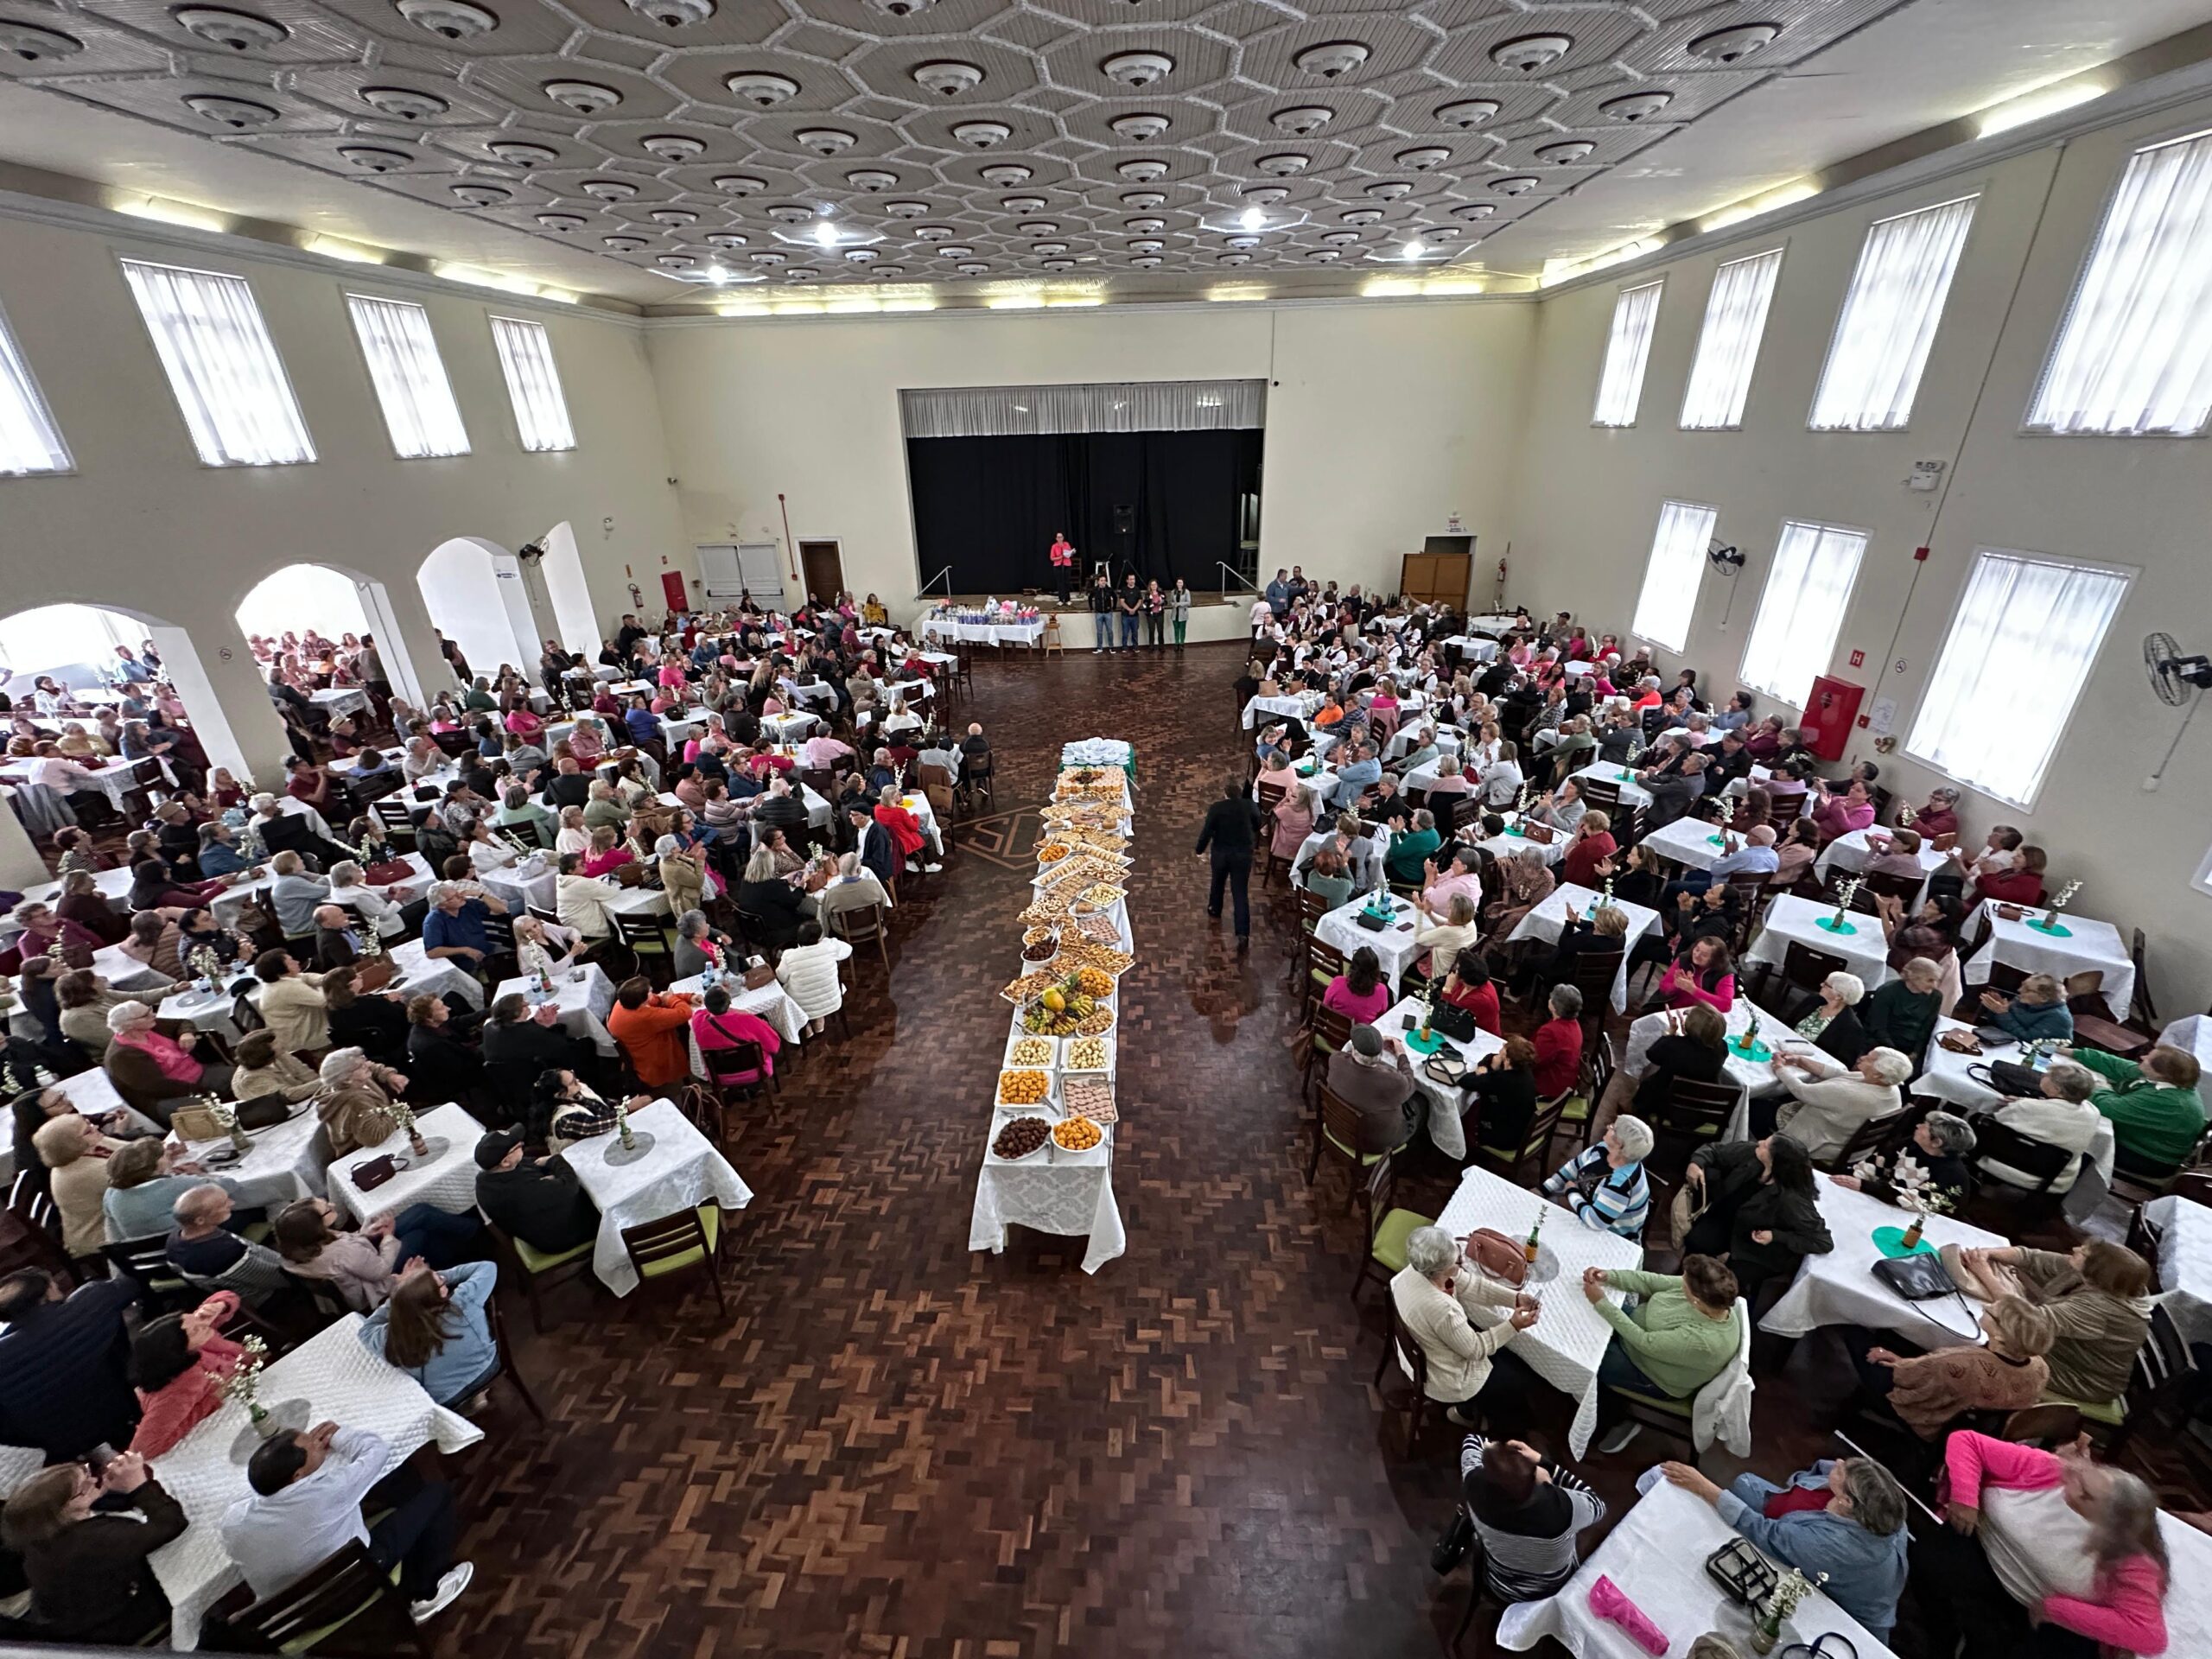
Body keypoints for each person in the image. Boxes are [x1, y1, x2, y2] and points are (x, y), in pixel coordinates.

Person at [1912, 1431, 2170, 1659]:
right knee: (1927, 1559)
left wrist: (2055, 1609)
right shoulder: (2051, 1470)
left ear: (2109, 1523)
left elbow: (2149, 1634)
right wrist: (1965, 1496)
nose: (2073, 1484)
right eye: (2083, 1479)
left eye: (2087, 1495)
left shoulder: (2131, 1559)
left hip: (2030, 1607)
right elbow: (1968, 1441)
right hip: (1984, 1551)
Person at [222, 1422, 473, 1621]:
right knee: (437, 1494)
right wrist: (340, 1436)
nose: (317, 1442)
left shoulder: (232, 1522)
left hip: (293, 1615)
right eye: (311, 1445)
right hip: (355, 1585)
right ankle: (427, 1593)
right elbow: (376, 1451)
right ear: (297, 1476)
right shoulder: (328, 1491)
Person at [1658, 1457, 1909, 1643]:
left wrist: (1702, 1486)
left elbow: (1761, 1531)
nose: (1838, 1463)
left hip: (1851, 1617)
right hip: (1801, 1526)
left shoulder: (1826, 1547)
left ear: (1846, 1502)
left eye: (1843, 1471)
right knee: (1745, 1483)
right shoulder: (1884, 1512)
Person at [1, 1452, 188, 1643]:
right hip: (124, 1627)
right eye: (84, 1486)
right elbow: (171, 1522)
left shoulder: (41, 1540)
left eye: (86, 1471)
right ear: (64, 1509)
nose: (93, 1479)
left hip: (75, 1623)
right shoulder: (89, 1542)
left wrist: (106, 1490)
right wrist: (139, 1485)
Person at [1948, 1240, 2152, 1405]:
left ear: (2098, 1270)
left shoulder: (2101, 1308)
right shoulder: (2103, 1278)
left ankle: (1961, 1402)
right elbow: (2031, 1257)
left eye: (2084, 1253)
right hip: (2055, 1349)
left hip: (2079, 1376)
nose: (2075, 1249)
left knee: (1988, 1343)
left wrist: (1983, 1271)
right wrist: (1987, 1254)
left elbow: (2025, 1321)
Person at [1389, 1225, 1543, 1430]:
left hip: (1421, 1352)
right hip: (1445, 1378)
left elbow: (1471, 1285)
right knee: (1521, 1379)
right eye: (1456, 1261)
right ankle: (1466, 1412)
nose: (1460, 1263)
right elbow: (1475, 1350)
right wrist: (1514, 1325)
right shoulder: (1443, 1310)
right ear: (1442, 1269)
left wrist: (1515, 1299)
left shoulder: (1416, 1268)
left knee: (1509, 1360)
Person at [1586, 1254, 1744, 1450]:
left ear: (1695, 1300)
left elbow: (1644, 1341)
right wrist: (1609, 1276)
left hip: (1654, 1376)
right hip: (1642, 1334)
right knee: (1591, 1322)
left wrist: (1602, 1303)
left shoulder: (1704, 1341)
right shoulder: (1706, 1297)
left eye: (1684, 1281)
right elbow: (1654, 1282)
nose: (1681, 1280)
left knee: (1590, 1357)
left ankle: (1615, 1420)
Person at [1847, 1294, 2055, 1440]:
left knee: (1854, 1331)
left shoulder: (1961, 1364)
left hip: (1927, 1415)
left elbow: (1908, 1375)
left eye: (1992, 1312)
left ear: (2001, 1335)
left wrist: (1897, 1360)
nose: (1986, 1307)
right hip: (1971, 1421)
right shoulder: (2041, 1368)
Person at [0, 1268, 139, 1459]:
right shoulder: (90, 1301)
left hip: (62, 1447)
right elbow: (130, 1283)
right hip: (123, 1411)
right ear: (48, 1292)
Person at [1681, 1135, 1834, 1306]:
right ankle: (1683, 1283)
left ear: (1775, 1162)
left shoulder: (1793, 1200)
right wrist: (1696, 1162)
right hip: (1730, 1220)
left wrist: (1776, 1236)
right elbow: (1715, 1150)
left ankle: (1720, 1309)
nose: (1759, 1143)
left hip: (1757, 1246)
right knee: (1696, 1241)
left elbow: (1822, 1241)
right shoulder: (1752, 1154)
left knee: (1727, 1281)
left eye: (1766, 1146)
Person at [1456, 1434, 1607, 1605]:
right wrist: (1545, 1464)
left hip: (1500, 1585)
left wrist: (1496, 1456)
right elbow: (1598, 1505)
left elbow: (1471, 1440)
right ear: (1534, 1479)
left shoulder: (1473, 1482)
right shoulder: (1561, 1507)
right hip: (1554, 1591)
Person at [360, 1259, 500, 1410]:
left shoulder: (394, 1336)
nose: (443, 1281)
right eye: (440, 1281)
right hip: (486, 1367)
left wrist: (400, 1294)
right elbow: (487, 1267)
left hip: (446, 1397)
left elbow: (365, 1330)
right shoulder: (462, 1303)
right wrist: (437, 1277)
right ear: (439, 1292)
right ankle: (478, 1394)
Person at [126, 1292, 249, 1456]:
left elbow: (230, 1297)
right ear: (176, 1350)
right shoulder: (184, 1382)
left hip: (249, 1382)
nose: (203, 1325)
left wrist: (220, 1306)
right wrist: (211, 1400)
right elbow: (143, 1449)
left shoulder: (197, 1334)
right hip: (227, 1422)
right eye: (195, 1330)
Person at [2064, 1042, 2205, 1176]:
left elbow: (2107, 1107)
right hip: (2137, 1138)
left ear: (2161, 1075)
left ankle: (2063, 1182)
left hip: (2148, 1157)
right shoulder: (2167, 1080)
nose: (2142, 1058)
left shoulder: (2172, 1103)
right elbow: (2114, 1064)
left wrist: (2093, 1084)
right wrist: (2069, 1052)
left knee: (2074, 1133)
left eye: (2148, 1060)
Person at [1766, 1046, 1910, 1162]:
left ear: (1878, 1074)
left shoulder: (1854, 1095)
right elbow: (1838, 1074)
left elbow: (1802, 1091)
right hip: (1842, 1136)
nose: (1862, 1057)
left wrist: (1779, 1067)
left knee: (1757, 1106)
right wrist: (1800, 1060)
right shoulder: (1888, 1085)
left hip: (1819, 1142)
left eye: (1869, 1059)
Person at [1980, 1059, 2104, 1188]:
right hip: (2053, 1179)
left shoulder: (2026, 1107)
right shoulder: (2093, 1113)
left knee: (1980, 1121)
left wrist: (2022, 1103)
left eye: (2048, 1075)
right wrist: (2027, 1101)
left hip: (2000, 1163)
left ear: (2056, 1089)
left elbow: (1995, 1122)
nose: (2043, 1075)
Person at [104, 1000, 232, 1122]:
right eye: (146, 1015)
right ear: (129, 1025)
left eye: (150, 1010)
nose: (153, 1015)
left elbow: (183, 1023)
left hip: (196, 1073)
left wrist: (186, 1033)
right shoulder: (122, 1056)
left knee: (242, 1077)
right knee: (213, 1112)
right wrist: (202, 1090)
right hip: (168, 1097)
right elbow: (157, 1087)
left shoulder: (151, 1026)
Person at [1830, 1111, 1976, 1211]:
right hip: (1886, 1199)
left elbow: (1913, 1201)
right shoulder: (1911, 1144)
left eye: (1925, 1126)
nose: (1918, 1126)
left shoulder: (1951, 1175)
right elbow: (1877, 1163)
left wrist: (1865, 1186)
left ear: (1936, 1142)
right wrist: (1852, 1179)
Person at [1540, 1116, 1654, 1238]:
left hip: (1608, 1236)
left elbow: (1596, 1222)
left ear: (1619, 1144)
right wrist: (1544, 1189)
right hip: (1583, 1208)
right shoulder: (1603, 1148)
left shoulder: (1621, 1184)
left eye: (1613, 1128)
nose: (1608, 1127)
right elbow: (1573, 1167)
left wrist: (1572, 1192)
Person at [1324, 1025, 1419, 1154]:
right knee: (1420, 1103)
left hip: (1336, 1128)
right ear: (1380, 1055)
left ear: (1354, 1050)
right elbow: (1410, 1083)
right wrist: (1401, 1055)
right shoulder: (1394, 1082)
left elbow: (1345, 1055)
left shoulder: (1335, 1060)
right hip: (1374, 1144)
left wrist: (1375, 1043)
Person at [1194, 777, 1262, 952]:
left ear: (1225, 794)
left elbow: (1207, 830)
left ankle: (1215, 908)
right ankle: (1243, 933)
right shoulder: (1250, 806)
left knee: (1217, 881)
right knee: (1240, 892)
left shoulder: (1217, 808)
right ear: (1240, 793)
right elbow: (1258, 824)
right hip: (1242, 855)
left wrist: (1199, 850)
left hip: (1221, 853)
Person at [315, 1046, 406, 1158]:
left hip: (388, 1128)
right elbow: (375, 1137)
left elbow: (372, 1067)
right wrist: (396, 1112)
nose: (366, 1065)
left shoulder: (354, 1080)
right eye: (361, 1066)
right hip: (368, 1153)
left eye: (363, 1060)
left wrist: (388, 1075)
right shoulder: (355, 1102)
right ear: (346, 1079)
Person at [607, 977, 696, 1089]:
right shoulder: (645, 1017)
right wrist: (671, 999)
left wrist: (688, 997)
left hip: (638, 1053)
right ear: (642, 1000)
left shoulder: (623, 1003)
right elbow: (685, 1013)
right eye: (650, 991)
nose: (653, 992)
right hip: (657, 1060)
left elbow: (658, 999)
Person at [1464, 1036, 1539, 1157]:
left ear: (1508, 1060)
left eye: (1503, 1051)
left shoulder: (1501, 1079)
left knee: (1465, 1113)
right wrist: (1492, 1065)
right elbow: (1491, 1057)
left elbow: (1466, 1081)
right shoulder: (1526, 1073)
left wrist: (1481, 1074)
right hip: (1521, 1130)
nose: (1499, 1052)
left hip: (1502, 1138)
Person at [1862, 957, 1943, 1065]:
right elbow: (1878, 1027)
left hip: (1913, 1047)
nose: (1934, 985)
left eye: (1937, 980)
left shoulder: (1936, 997)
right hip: (1883, 1042)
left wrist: (1916, 1052)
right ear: (1912, 976)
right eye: (1930, 980)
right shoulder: (1887, 992)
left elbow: (1927, 1028)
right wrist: (1896, 1054)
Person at [691, 983, 784, 1078]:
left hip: (719, 1076)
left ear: (706, 1005)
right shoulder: (747, 1020)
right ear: (730, 1003)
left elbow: (700, 1012)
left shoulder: (698, 1020)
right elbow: (774, 1046)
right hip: (755, 1071)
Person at [1791, 969, 1871, 1066]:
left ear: (1838, 996)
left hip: (1810, 1065)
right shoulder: (1813, 1000)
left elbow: (1843, 1064)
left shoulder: (1852, 1028)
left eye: (1826, 985)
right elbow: (1788, 1023)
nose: (1821, 985)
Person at [1978, 974, 2074, 1046]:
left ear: (2043, 998)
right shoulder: (2023, 1000)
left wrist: (2002, 1014)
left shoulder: (2058, 1018)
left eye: (2027, 989)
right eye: (2022, 985)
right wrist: (1995, 1010)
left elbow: (2029, 1040)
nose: (2019, 990)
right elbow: (1998, 1026)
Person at [1320, 945, 1391, 1026]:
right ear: (1376, 971)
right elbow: (1381, 1015)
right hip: (1362, 1036)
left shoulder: (1338, 982)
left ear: (1353, 966)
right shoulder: (1382, 990)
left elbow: (1326, 1006)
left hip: (1334, 1032)